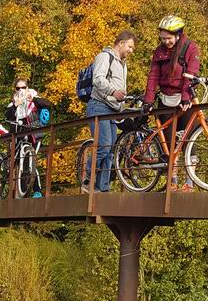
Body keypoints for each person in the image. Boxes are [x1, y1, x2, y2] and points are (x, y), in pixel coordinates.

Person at [142, 15, 201, 190]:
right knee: (168, 143)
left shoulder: (190, 48)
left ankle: (190, 182)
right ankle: (172, 182)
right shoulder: (159, 52)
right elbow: (153, 76)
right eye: (162, 38)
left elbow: (191, 72)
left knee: (189, 139)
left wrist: (185, 96)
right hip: (165, 100)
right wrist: (148, 100)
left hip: (184, 100)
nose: (165, 41)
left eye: (168, 38)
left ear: (178, 35)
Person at [85, 30, 137, 192]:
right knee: (105, 146)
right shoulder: (104, 56)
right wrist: (113, 92)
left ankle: (103, 188)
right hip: (99, 106)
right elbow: (98, 79)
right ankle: (87, 179)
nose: (131, 50)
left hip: (113, 109)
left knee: (111, 150)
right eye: (130, 46)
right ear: (121, 43)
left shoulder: (123, 63)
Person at [4, 78, 52, 197]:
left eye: (23, 87)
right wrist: (15, 105)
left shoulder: (34, 97)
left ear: (27, 87)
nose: (20, 90)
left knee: (31, 160)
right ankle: (24, 191)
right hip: (19, 134)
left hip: (34, 133)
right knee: (22, 163)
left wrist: (33, 99)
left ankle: (37, 190)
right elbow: (8, 116)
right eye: (18, 88)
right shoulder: (13, 101)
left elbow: (48, 104)